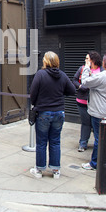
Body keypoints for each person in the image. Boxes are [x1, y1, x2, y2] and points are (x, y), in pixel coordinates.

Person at [29, 51, 76, 179]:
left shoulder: (40, 74)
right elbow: (72, 90)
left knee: (41, 142)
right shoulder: (62, 75)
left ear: (46, 61)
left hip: (43, 112)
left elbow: (32, 93)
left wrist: (35, 103)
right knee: (55, 141)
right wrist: (60, 93)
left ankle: (39, 170)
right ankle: (56, 170)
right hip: (59, 113)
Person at [81, 53, 106, 170]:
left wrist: (87, 67)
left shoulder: (102, 76)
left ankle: (94, 163)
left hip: (99, 111)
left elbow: (85, 82)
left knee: (99, 138)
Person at [73, 51, 103, 152]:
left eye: (88, 59)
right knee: (85, 123)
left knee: (96, 124)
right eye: (85, 58)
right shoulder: (82, 69)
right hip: (82, 101)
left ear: (93, 60)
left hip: (96, 103)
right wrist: (80, 86)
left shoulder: (101, 71)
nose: (86, 61)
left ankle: (98, 144)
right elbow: (75, 80)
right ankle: (83, 143)